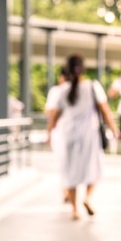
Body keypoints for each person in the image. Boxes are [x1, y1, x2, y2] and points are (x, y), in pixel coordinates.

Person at [47, 54, 120, 220]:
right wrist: (114, 128)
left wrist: (49, 133)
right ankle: (87, 198)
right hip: (89, 135)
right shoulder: (93, 86)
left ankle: (74, 210)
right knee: (93, 168)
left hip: (68, 135)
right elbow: (105, 110)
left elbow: (55, 116)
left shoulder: (62, 90)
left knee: (70, 171)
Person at [45, 66, 70, 203]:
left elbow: (50, 111)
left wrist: (48, 132)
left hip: (59, 132)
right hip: (77, 132)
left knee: (63, 163)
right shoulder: (82, 88)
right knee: (74, 163)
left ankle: (66, 190)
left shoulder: (56, 91)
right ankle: (71, 190)